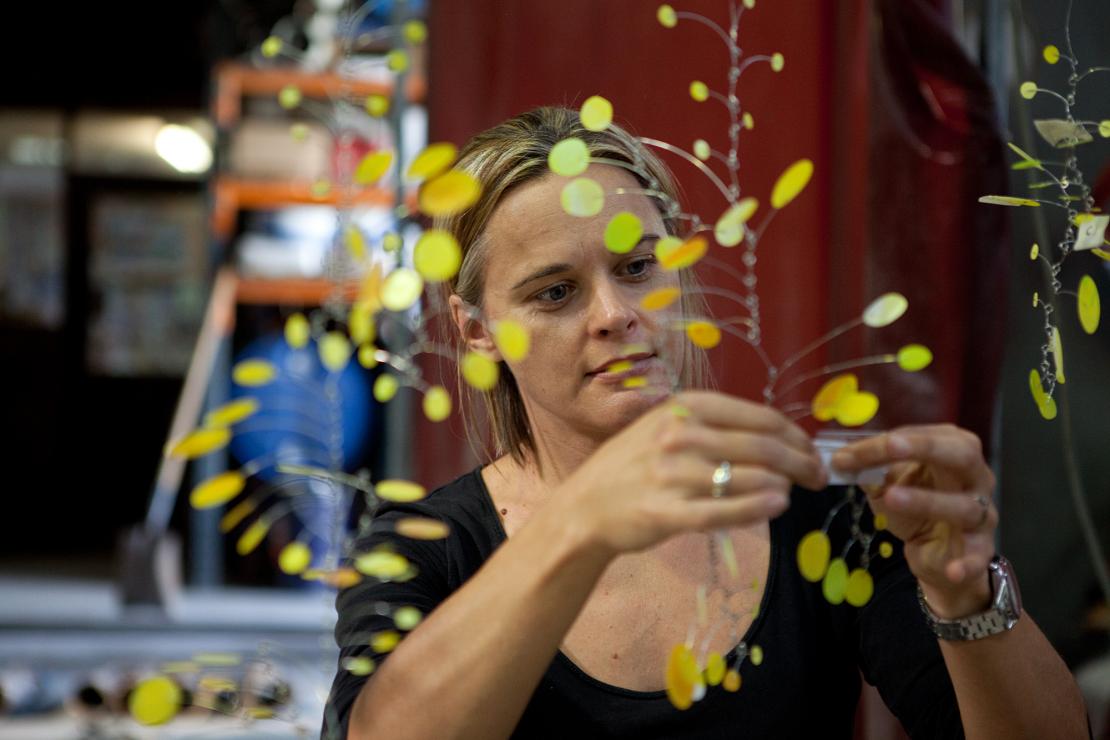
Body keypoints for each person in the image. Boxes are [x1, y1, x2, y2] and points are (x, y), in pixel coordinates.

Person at [324, 107, 1089, 739]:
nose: (617, 315)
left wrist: (967, 596)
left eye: (638, 268)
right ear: (475, 330)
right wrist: (581, 525)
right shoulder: (424, 553)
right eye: (555, 293)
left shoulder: (821, 516)